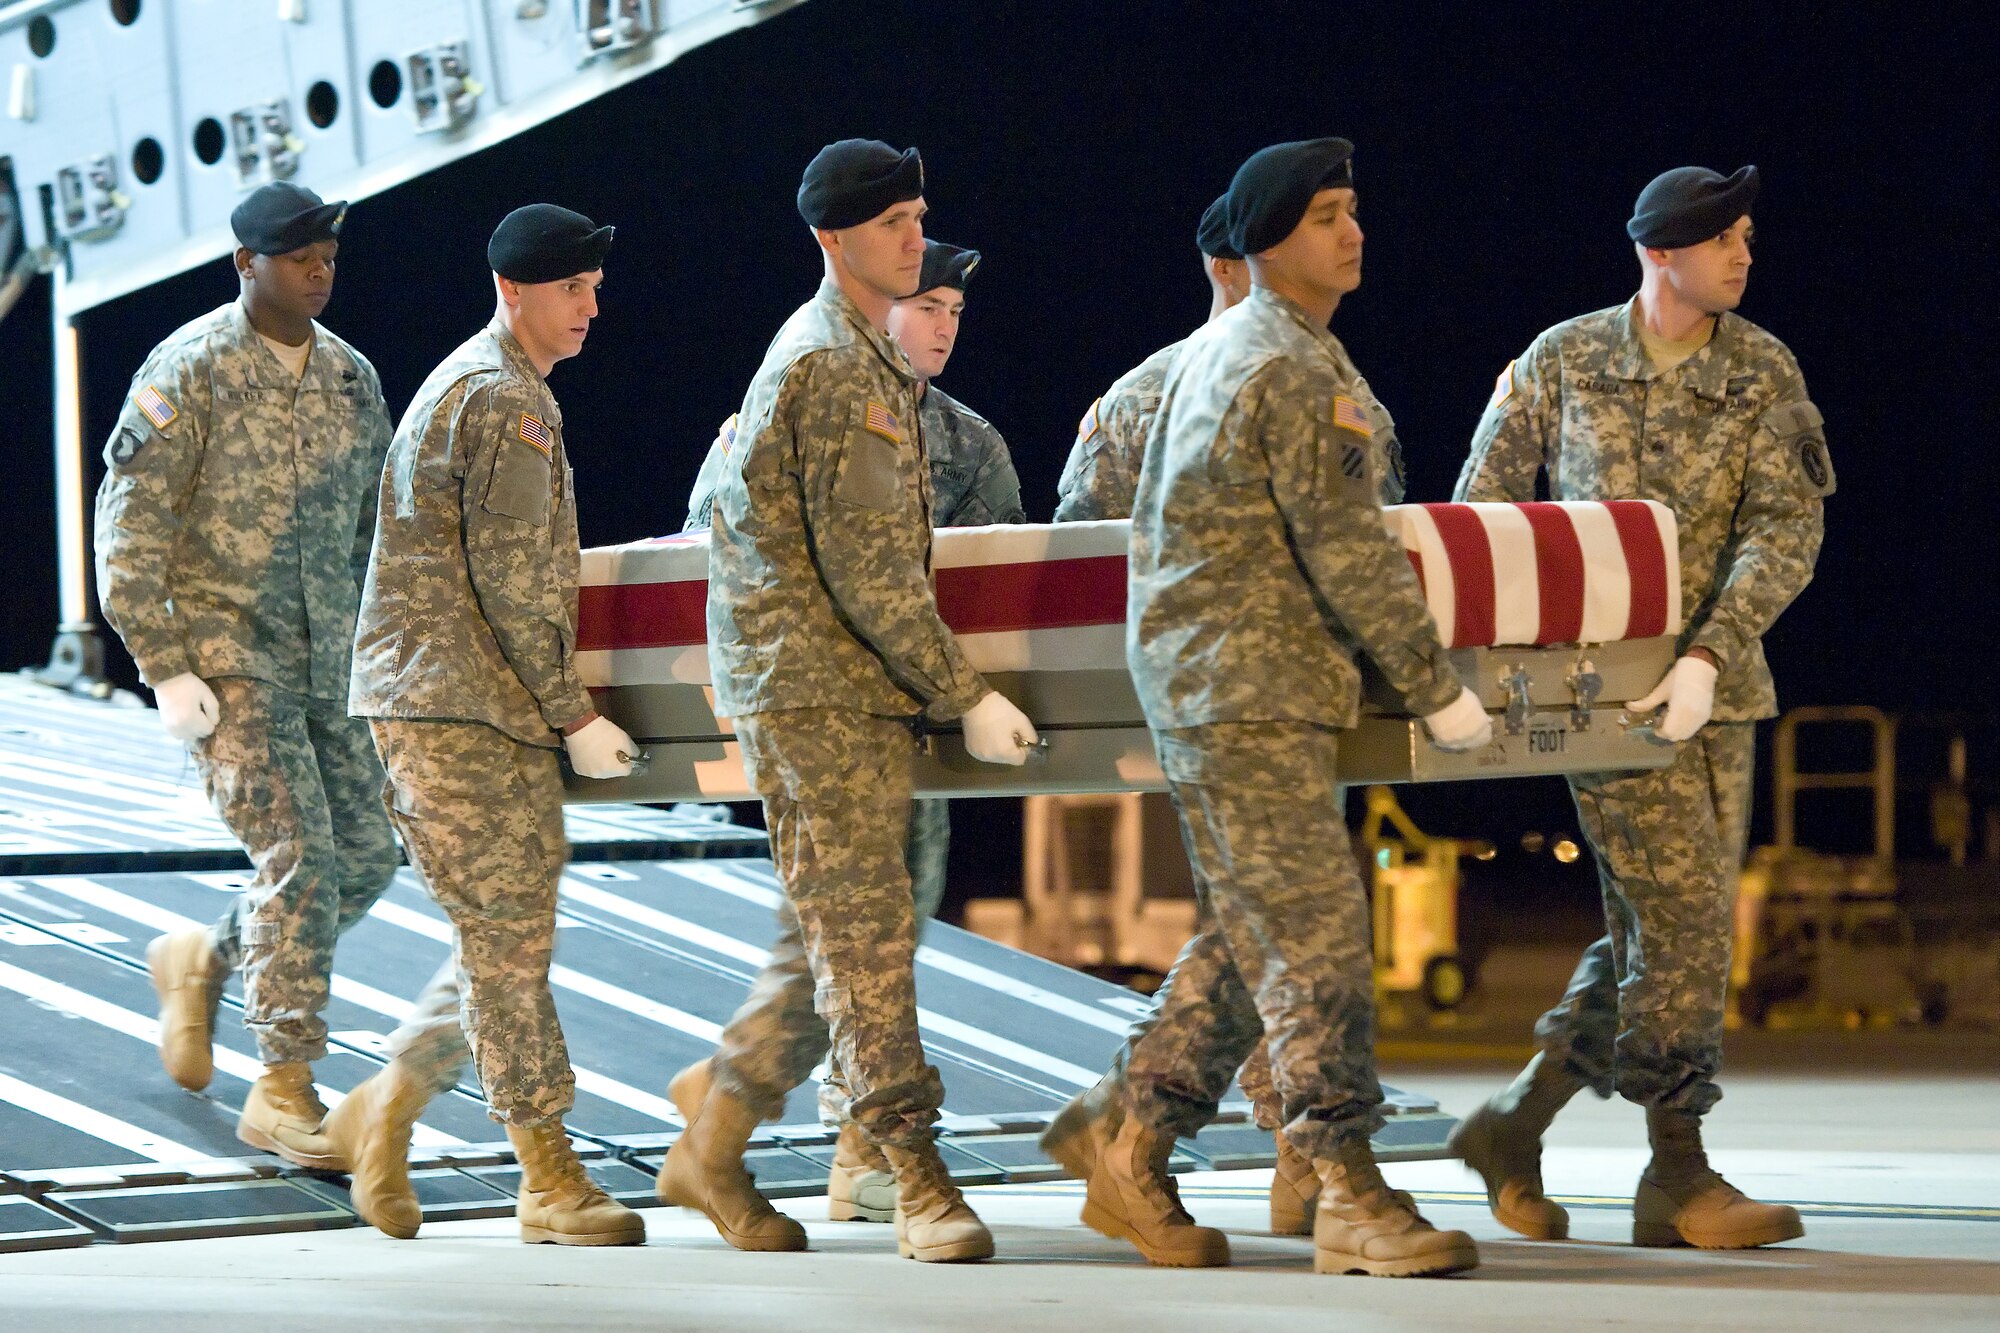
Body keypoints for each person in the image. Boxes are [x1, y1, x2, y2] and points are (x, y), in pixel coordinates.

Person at [1041, 138, 1492, 1279]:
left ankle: (1128, 1140)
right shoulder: (1285, 365)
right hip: (1241, 687)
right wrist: (1436, 688)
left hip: (1244, 685)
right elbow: (1347, 547)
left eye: (1353, 210)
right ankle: (1344, 1184)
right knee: (1316, 941)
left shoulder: (1261, 349)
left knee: (1255, 940)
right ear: (1268, 239)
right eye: (1330, 214)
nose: (1353, 233)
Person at [658, 139, 1038, 1264]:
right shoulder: (828, 364)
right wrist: (964, 691)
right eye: (892, 224)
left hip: (846, 688)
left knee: (832, 942)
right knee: (865, 940)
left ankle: (714, 1142)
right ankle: (912, 1176)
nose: (915, 239)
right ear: (833, 241)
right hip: (813, 691)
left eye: (919, 217)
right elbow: (870, 569)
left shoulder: (866, 367)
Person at [1449, 165, 1826, 1251]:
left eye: (1747, 237)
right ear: (1662, 252)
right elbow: (1484, 510)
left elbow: (1783, 529)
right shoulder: (1562, 359)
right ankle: (1675, 1170)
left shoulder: (1762, 369)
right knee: (1681, 923)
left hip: (1717, 690)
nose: (1744, 256)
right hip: (1601, 697)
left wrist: (1710, 648)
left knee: (1661, 929)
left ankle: (1513, 1124)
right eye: (1724, 241)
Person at [329, 204, 644, 1247]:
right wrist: (573, 713)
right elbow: (513, 583)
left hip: (466, 700)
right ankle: (547, 1177)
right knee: (507, 936)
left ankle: (386, 1111)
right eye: (571, 289)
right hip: (451, 703)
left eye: (595, 288)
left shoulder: (497, 388)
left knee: (503, 931)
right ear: (515, 291)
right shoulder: (502, 401)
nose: (591, 307)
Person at [95, 181, 398, 1169]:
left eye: (330, 256)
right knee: (302, 858)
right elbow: (128, 529)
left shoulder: (352, 378)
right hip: (231, 668)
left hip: (331, 666)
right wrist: (165, 665)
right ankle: (283, 1087)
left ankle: (205, 958)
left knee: (368, 853)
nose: (320, 269)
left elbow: (376, 535)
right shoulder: (189, 370)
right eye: (298, 255)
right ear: (246, 265)